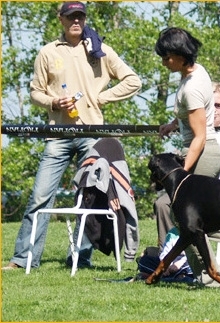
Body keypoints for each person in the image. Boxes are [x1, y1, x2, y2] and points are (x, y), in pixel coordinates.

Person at [2, 2, 142, 270]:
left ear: (85, 19)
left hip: (92, 135)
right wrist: (54, 103)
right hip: (57, 136)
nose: (76, 21)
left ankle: (80, 257)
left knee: (88, 199)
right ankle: (23, 259)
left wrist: (102, 97)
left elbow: (133, 80)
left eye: (80, 16)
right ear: (61, 20)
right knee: (40, 196)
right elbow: (35, 92)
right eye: (70, 17)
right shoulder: (47, 52)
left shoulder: (100, 50)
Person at [154, 28, 220, 287]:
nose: (163, 62)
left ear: (179, 55)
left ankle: (209, 277)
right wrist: (174, 124)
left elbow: (198, 136)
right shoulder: (195, 72)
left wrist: (182, 170)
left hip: (201, 152)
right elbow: (196, 114)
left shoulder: (192, 86)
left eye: (166, 57)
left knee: (186, 219)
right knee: (191, 217)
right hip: (203, 149)